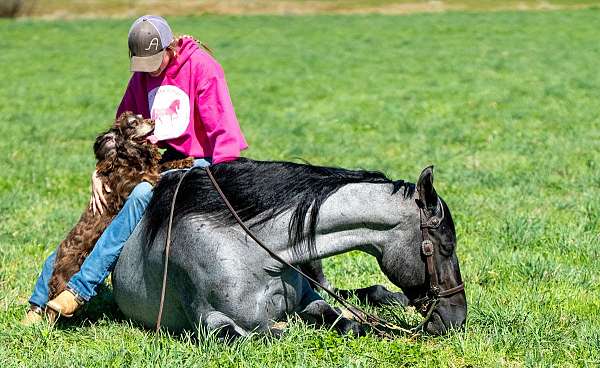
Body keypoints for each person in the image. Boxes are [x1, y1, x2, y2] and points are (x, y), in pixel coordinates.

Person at [22, 15, 248, 325]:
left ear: (170, 47)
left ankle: (80, 289)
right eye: (143, 63)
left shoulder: (203, 68)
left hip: (200, 163)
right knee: (96, 212)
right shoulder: (143, 74)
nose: (150, 69)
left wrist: (225, 183)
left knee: (141, 192)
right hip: (158, 159)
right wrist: (101, 171)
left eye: (155, 60)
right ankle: (38, 301)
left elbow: (223, 133)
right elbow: (119, 128)